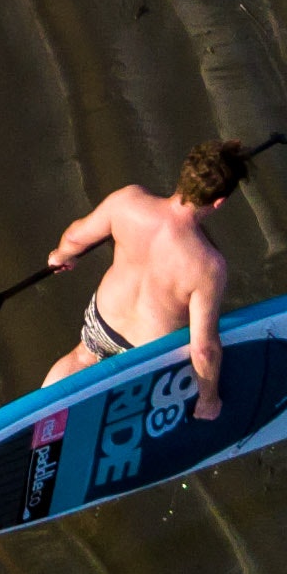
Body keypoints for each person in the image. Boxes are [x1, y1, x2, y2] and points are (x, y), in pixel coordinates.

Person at [42, 139, 248, 407]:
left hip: (104, 319)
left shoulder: (128, 202)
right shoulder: (209, 265)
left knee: (82, 357)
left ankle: (35, 417)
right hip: (145, 353)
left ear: (184, 175)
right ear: (219, 202)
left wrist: (62, 255)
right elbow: (203, 348)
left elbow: (75, 238)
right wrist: (209, 400)